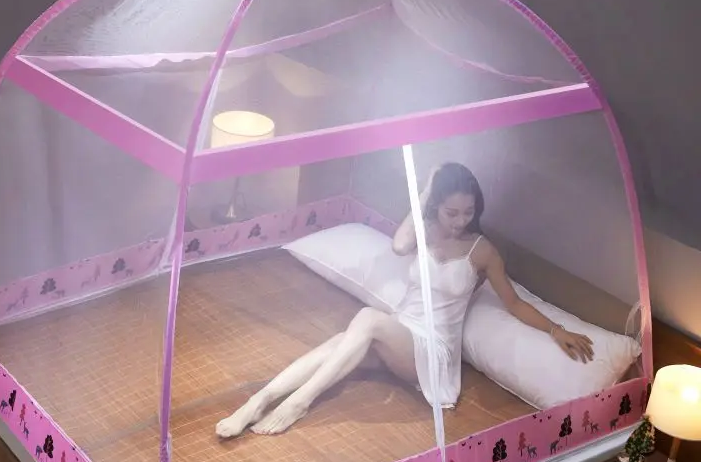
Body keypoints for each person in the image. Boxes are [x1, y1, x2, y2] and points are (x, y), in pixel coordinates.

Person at [216, 162, 594, 438]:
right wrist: (426, 190)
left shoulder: (483, 251)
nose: (460, 220)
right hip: (401, 335)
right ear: (436, 206)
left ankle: (299, 403)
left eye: (468, 212)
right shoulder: (424, 230)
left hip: (433, 353)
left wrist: (556, 330)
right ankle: (260, 399)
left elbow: (514, 303)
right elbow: (399, 246)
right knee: (340, 343)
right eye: (451, 212)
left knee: (368, 318)